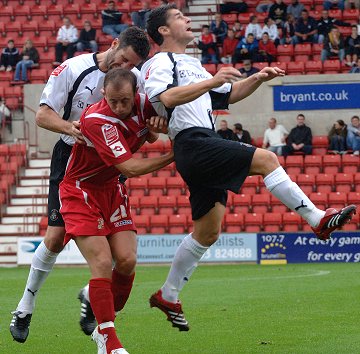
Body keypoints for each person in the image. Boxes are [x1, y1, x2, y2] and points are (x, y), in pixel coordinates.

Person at [141, 4, 356, 331]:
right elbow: (165, 98)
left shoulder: (192, 65)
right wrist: (211, 81)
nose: (187, 20)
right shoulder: (161, 61)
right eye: (179, 17)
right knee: (268, 159)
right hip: (192, 141)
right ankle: (318, 219)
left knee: (208, 233)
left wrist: (258, 77)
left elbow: (227, 95)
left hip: (199, 144)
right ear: (164, 31)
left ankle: (168, 294)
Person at [9, 26, 150, 344]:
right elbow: (43, 116)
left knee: (121, 254)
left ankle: (93, 296)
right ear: (114, 45)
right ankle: (25, 306)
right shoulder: (73, 69)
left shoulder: (133, 79)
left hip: (111, 161)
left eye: (133, 65)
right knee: (55, 238)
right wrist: (71, 129)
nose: (126, 69)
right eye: (124, 60)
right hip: (72, 160)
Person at [59, 68, 173, 354]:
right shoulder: (97, 119)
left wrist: (158, 126)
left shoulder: (147, 103)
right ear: (102, 94)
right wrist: (174, 154)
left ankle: (96, 305)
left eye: (125, 101)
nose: (119, 107)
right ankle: (108, 339)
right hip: (80, 190)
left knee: (126, 261)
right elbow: (130, 168)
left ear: (135, 94)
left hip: (111, 189)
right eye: (113, 101)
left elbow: (151, 136)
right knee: (101, 262)